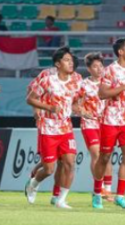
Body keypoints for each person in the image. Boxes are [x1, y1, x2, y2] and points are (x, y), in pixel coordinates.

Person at [24, 47, 82, 209]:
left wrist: (79, 109)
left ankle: (61, 200)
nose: (71, 63)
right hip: (48, 128)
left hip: (66, 128)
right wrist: (47, 107)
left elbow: (77, 101)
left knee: (70, 163)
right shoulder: (48, 80)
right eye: (66, 60)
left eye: (71, 60)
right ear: (57, 64)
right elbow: (30, 99)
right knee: (49, 169)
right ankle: (33, 184)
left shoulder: (76, 81)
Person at [95, 38, 125, 209]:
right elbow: (102, 94)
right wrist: (124, 87)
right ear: (121, 52)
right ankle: (97, 192)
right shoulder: (110, 70)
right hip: (110, 120)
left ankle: (120, 196)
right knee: (105, 157)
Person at [79, 53, 115, 207]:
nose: (99, 69)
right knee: (96, 153)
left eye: (101, 66)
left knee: (106, 156)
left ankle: (107, 188)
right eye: (95, 66)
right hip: (89, 124)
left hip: (106, 123)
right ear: (89, 68)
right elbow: (76, 103)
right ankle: (99, 188)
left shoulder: (107, 83)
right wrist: (82, 111)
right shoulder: (83, 85)